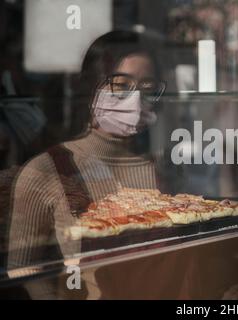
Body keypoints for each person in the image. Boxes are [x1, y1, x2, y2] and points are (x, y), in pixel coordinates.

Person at [6, 30, 174, 298]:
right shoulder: (46, 171)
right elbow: (24, 269)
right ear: (89, 86)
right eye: (120, 86)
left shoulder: (159, 171)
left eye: (147, 89)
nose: (135, 100)